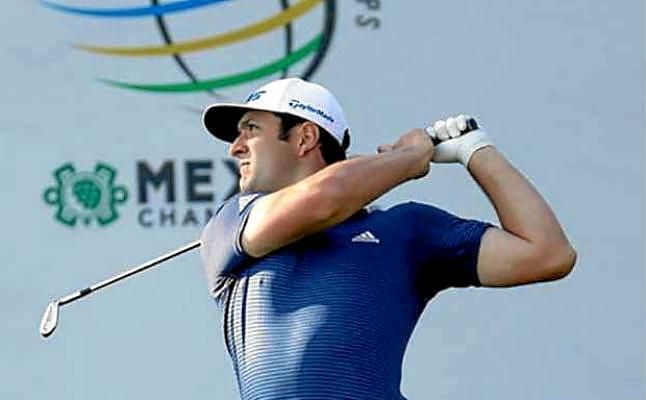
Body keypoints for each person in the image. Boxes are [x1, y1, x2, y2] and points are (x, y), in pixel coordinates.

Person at [199, 78, 576, 400]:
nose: (235, 147)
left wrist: (476, 150)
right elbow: (325, 199)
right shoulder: (230, 221)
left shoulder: (405, 229)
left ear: (305, 138)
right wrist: (410, 158)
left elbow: (547, 253)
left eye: (251, 129)